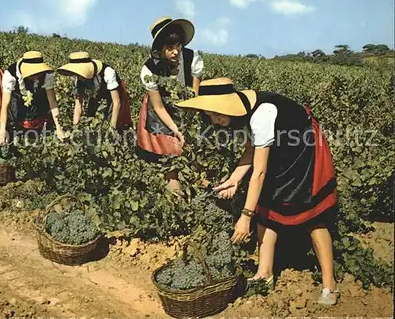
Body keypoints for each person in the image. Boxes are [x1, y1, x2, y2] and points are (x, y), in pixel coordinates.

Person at [175, 78, 340, 305]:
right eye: (209, 114)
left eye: (216, 113)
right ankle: (265, 274)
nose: (214, 119)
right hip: (279, 149)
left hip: (303, 151)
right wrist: (234, 179)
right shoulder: (244, 106)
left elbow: (259, 172)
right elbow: (252, 148)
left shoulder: (262, 113)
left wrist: (245, 217)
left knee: (312, 217)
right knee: (267, 211)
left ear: (226, 105)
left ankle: (329, 285)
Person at [137, 16, 204, 194]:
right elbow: (158, 107)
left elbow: (195, 95)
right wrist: (177, 130)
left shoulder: (193, 58)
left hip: (189, 107)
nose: (176, 52)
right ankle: (175, 200)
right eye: (169, 48)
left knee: (195, 152)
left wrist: (189, 123)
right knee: (170, 158)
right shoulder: (149, 70)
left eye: (178, 46)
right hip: (162, 110)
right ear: (160, 50)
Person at [0, 51, 65, 144]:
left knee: (37, 135)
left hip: (38, 105)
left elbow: (52, 102)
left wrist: (58, 127)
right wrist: (2, 132)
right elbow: (5, 105)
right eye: (33, 73)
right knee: (15, 129)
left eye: (39, 73)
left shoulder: (47, 76)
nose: (36, 76)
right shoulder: (11, 74)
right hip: (17, 104)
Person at [57, 52, 132, 130]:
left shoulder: (108, 72)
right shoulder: (78, 78)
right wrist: (75, 127)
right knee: (90, 119)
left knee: (111, 121)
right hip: (96, 95)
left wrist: (112, 128)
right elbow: (78, 105)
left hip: (112, 98)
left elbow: (117, 102)